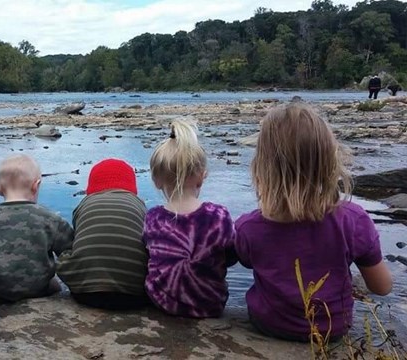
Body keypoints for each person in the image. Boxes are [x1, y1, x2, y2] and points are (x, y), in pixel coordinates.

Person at [235, 103, 392, 342]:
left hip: (268, 324)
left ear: (262, 168)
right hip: (332, 331)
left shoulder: (249, 228)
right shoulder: (353, 220)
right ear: (330, 161)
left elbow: (245, 260)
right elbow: (382, 287)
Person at [143, 120, 237, 318]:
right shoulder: (219, 216)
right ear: (202, 176)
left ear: (156, 181)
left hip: (162, 302)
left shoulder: (153, 218)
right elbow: (231, 257)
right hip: (210, 305)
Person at [0, 155, 74, 304]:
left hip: (1, 291)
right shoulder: (49, 218)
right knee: (56, 287)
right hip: (41, 289)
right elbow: (71, 250)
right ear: (36, 185)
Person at [57, 158, 149, 310]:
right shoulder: (139, 205)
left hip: (85, 293)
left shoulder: (84, 204)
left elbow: (77, 237)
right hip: (135, 294)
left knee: (69, 252)